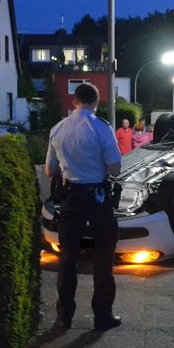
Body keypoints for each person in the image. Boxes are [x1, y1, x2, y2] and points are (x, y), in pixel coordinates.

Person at [45, 83, 123, 331]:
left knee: (68, 258)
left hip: (70, 198)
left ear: (74, 102)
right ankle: (102, 316)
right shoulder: (101, 128)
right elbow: (115, 169)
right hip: (98, 199)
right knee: (103, 257)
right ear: (96, 102)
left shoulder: (58, 129)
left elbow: (49, 170)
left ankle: (63, 317)